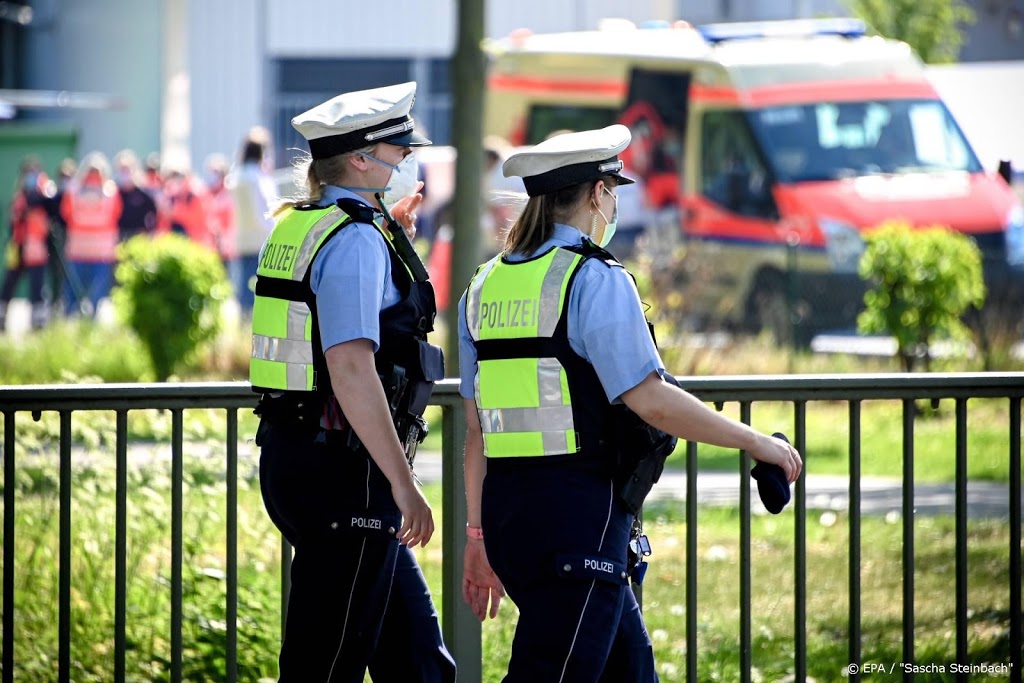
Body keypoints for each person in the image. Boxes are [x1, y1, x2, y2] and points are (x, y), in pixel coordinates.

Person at [457, 125, 803, 681]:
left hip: (510, 517)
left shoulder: (483, 285)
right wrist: (756, 442)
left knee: (629, 670)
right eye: (612, 189)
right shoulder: (594, 277)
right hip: (578, 518)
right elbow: (650, 399)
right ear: (597, 194)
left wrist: (476, 535)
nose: (614, 201)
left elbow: (477, 431)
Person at [250, 81, 454, 682]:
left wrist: (390, 239)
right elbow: (350, 368)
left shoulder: (301, 223)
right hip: (348, 475)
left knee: (418, 664)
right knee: (327, 666)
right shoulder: (358, 237)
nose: (404, 159)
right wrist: (403, 483)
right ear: (361, 158)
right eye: (395, 150)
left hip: (298, 456)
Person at [60, 151, 122, 317]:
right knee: (78, 294)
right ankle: (78, 320)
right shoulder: (111, 192)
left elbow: (66, 214)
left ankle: (77, 322)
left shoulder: (73, 191)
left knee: (88, 295)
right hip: (83, 252)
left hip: (94, 252)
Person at [1, 156, 54, 332]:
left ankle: (38, 323)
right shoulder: (19, 196)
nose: (30, 177)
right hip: (18, 246)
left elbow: (50, 206)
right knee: (8, 284)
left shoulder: (44, 195)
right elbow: (14, 221)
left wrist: (40, 188)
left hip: (36, 248)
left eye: (34, 173)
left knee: (37, 287)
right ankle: (1, 317)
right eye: (27, 173)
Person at [228, 126, 277, 316]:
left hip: (242, 236)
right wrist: (274, 230)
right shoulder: (256, 178)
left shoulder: (238, 175)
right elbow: (262, 212)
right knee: (257, 286)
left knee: (244, 285)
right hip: (260, 238)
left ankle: (244, 321)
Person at [113, 149, 158, 242]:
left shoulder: (143, 195)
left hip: (138, 240)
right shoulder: (113, 194)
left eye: (127, 169)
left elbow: (153, 217)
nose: (124, 173)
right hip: (117, 239)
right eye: (122, 169)